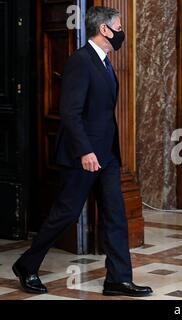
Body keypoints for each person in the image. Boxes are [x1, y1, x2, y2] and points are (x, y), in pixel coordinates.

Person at [12, 6, 152, 297]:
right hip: (84, 156)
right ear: (104, 29)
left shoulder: (104, 62)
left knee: (116, 215)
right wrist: (86, 152)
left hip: (108, 156)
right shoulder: (81, 61)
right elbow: (70, 113)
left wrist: (104, 152)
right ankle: (27, 265)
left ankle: (118, 279)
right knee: (65, 214)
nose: (121, 31)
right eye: (118, 26)